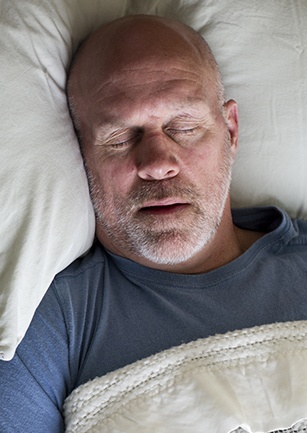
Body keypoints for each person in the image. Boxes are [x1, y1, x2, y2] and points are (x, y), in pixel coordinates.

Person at [1, 14, 307, 432]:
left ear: (231, 131)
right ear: (80, 153)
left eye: (183, 127)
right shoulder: (52, 326)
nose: (158, 164)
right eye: (121, 138)